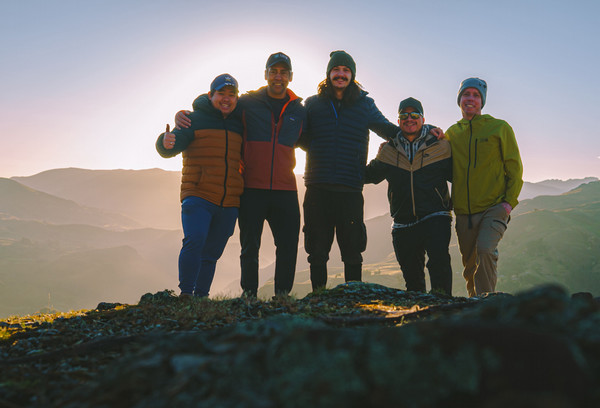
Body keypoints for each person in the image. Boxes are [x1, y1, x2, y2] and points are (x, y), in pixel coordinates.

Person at [298, 50, 442, 291]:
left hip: (350, 188)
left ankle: (354, 296)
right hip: (317, 186)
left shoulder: (365, 104)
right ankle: (318, 297)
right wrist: (318, 150)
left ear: (352, 75)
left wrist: (426, 130)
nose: (341, 74)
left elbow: (388, 129)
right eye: (336, 69)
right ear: (328, 74)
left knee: (353, 249)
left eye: (346, 70)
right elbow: (299, 136)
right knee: (317, 250)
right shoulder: (312, 104)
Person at [175, 53, 306, 298]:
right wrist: (185, 113)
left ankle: (282, 296)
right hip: (251, 187)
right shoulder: (247, 103)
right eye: (273, 71)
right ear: (265, 74)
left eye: (283, 72)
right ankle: (249, 295)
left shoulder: (300, 110)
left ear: (290, 76)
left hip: (286, 188)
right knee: (249, 247)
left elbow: (313, 139)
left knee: (288, 246)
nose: (278, 76)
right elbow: (218, 104)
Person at [156, 74, 244, 298]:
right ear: (210, 95)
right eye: (221, 94)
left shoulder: (240, 122)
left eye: (231, 95)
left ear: (237, 97)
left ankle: (201, 297)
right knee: (194, 240)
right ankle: (186, 294)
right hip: (198, 195)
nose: (226, 99)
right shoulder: (193, 120)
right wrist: (163, 143)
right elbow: (171, 145)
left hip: (229, 199)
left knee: (212, 252)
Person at [364, 97, 453, 295]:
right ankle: (419, 321)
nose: (409, 118)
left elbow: (460, 176)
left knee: (439, 266)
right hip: (403, 223)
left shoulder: (441, 145)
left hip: (436, 216)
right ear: (398, 121)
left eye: (415, 115)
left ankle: (445, 315)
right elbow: (369, 176)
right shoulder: (388, 150)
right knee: (413, 281)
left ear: (423, 119)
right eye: (404, 115)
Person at [446, 77, 523, 297]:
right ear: (459, 99)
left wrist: (508, 204)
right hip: (464, 213)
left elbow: (515, 169)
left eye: (476, 95)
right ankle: (475, 306)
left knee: (485, 251)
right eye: (466, 94)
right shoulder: (452, 133)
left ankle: (488, 306)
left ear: (482, 101)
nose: (470, 99)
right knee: (470, 266)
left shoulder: (499, 128)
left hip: (494, 207)